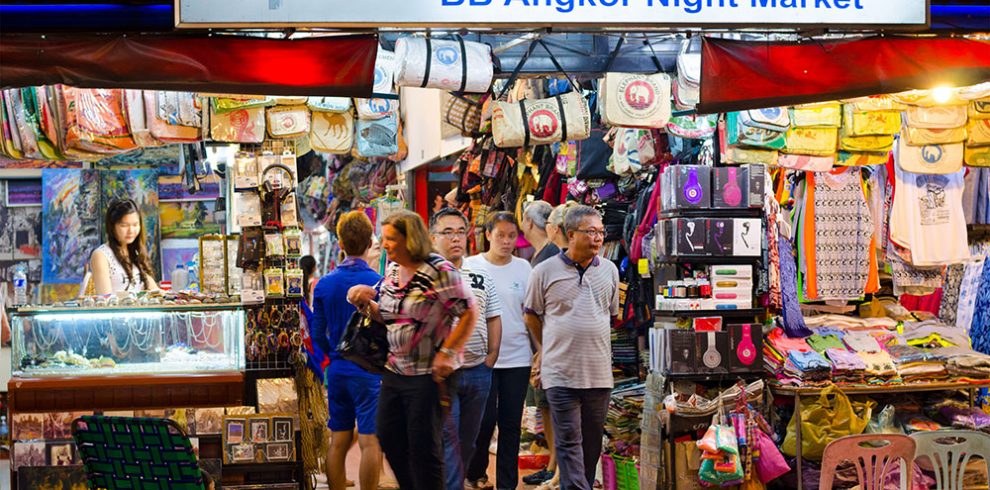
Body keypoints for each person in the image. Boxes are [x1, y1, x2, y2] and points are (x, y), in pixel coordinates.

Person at [347, 210, 478, 490]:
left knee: (423, 446)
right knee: (389, 435)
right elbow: (388, 315)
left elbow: (469, 311)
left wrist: (449, 352)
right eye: (384, 238)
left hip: (428, 375)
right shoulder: (393, 270)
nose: (385, 245)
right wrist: (362, 303)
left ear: (411, 239)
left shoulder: (439, 270)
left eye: (392, 239)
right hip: (395, 370)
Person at [524, 205, 619, 490]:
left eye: (601, 232)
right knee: (568, 444)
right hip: (560, 373)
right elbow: (531, 315)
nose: (598, 238)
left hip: (599, 374)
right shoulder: (544, 271)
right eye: (590, 232)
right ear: (570, 234)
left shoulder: (611, 271)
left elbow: (610, 315)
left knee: (590, 447)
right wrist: (546, 348)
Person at [430, 208, 503, 490]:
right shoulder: (426, 275)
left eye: (460, 231)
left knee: (470, 440)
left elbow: (493, 316)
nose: (455, 238)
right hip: (443, 374)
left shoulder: (480, 275)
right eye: (447, 232)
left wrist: (492, 355)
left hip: (479, 372)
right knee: (449, 439)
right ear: (433, 236)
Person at [312, 211, 384, 490]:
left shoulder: (324, 284)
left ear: (340, 243)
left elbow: (317, 334)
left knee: (338, 440)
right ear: (369, 243)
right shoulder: (378, 282)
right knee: (369, 441)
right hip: (369, 371)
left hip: (338, 370)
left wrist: (334, 356)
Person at [464, 212, 533, 490]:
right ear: (488, 234)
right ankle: (476, 472)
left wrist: (538, 351)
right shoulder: (471, 266)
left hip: (518, 357)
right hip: (482, 358)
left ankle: (507, 483)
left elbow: (531, 314)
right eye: (500, 235)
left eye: (512, 236)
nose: (506, 241)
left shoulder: (524, 268)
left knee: (511, 424)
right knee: (483, 420)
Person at [90, 199, 158, 295]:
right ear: (112, 226)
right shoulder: (101, 255)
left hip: (141, 309)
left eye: (135, 225)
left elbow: (155, 291)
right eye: (124, 225)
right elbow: (105, 298)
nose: (131, 230)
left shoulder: (136, 252)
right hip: (117, 309)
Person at [521, 201, 557, 267]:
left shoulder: (552, 254)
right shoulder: (549, 250)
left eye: (523, 219)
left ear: (530, 222)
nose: (522, 224)